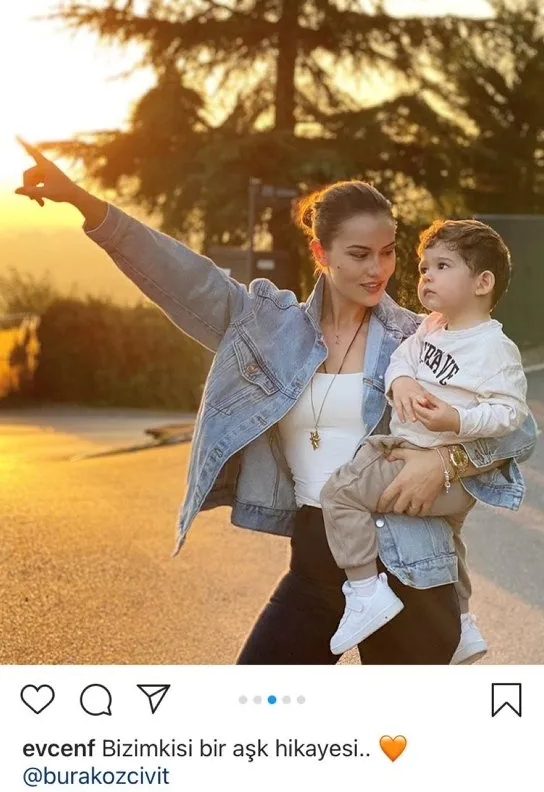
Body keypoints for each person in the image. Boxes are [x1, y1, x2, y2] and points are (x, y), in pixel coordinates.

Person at [15, 138, 537, 664]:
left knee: (399, 740)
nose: (378, 269)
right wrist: (84, 202)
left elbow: (518, 430)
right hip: (316, 558)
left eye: (387, 252)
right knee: (257, 706)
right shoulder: (268, 327)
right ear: (320, 254)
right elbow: (181, 276)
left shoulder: (420, 339)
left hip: (412, 566)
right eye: (358, 254)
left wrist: (445, 462)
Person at [320, 218, 528, 661]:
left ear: (482, 282)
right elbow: (401, 361)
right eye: (423, 267)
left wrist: (458, 418)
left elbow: (513, 414)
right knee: (449, 541)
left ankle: (363, 590)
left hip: (440, 469)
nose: (425, 276)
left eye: (442, 266)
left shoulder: (494, 349)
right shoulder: (432, 326)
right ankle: (465, 623)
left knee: (340, 493)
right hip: (412, 452)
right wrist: (402, 385)